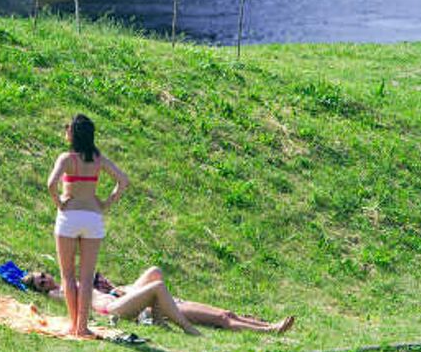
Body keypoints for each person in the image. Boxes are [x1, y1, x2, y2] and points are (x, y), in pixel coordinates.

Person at [23, 266, 295, 336]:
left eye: (43, 276)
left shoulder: (71, 280)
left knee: (226, 312)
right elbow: (75, 302)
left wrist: (117, 287)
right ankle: (270, 330)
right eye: (40, 283)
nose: (46, 280)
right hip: (113, 308)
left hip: (122, 298)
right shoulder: (58, 292)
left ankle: (266, 324)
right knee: (221, 319)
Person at [47, 113, 129, 338]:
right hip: (92, 217)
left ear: (72, 134)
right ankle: (83, 327)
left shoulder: (66, 159)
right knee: (86, 277)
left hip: (69, 216)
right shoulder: (98, 159)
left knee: (68, 275)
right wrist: (106, 203)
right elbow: (123, 181)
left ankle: (73, 325)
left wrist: (59, 202)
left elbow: (51, 184)